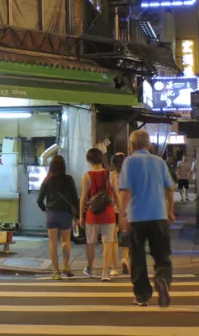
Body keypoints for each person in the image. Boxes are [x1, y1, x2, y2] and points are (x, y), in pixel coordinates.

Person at [119, 130, 175, 308]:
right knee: (162, 255)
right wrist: (170, 211)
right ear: (148, 144)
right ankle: (162, 278)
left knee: (137, 257)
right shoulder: (159, 162)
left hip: (136, 218)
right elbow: (170, 189)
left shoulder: (129, 162)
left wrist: (123, 215)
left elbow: (126, 191)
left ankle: (142, 295)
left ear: (131, 145)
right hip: (159, 216)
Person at [37, 155, 79, 280]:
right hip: (65, 214)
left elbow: (39, 200)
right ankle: (66, 264)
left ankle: (56, 272)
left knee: (52, 243)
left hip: (51, 214)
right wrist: (76, 214)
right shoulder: (69, 179)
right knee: (66, 241)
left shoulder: (47, 180)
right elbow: (74, 197)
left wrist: (46, 209)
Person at [80, 148, 119, 281]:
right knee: (108, 243)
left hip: (92, 215)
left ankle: (90, 268)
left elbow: (83, 198)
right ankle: (105, 273)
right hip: (108, 214)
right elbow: (117, 195)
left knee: (90, 243)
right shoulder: (110, 174)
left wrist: (81, 216)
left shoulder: (87, 176)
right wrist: (121, 211)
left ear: (88, 160)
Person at [110, 152, 131, 275]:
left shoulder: (111, 175)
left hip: (112, 209)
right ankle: (125, 258)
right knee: (125, 235)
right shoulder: (128, 175)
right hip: (125, 209)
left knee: (113, 237)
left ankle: (114, 267)